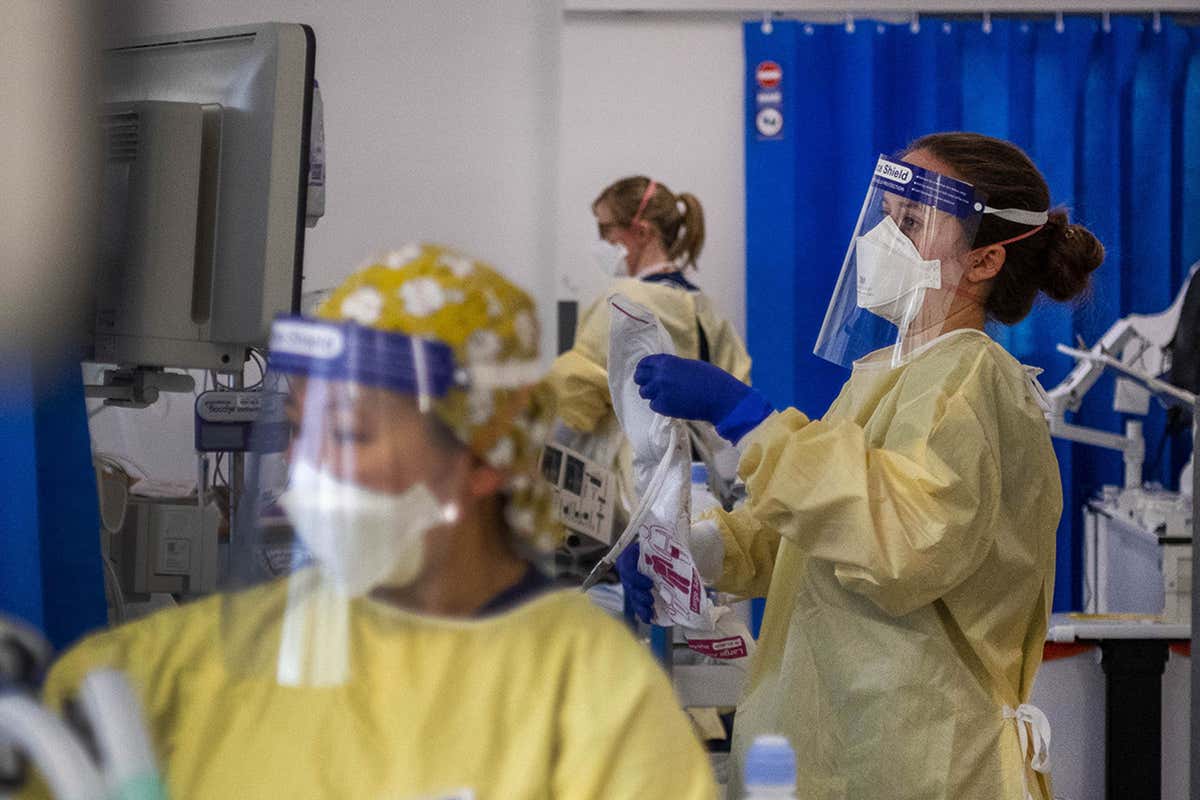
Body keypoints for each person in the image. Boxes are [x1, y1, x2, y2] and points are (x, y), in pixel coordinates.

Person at [23, 244, 717, 799]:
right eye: (297, 431)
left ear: (479, 457)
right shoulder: (187, 667)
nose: (307, 470)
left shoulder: (590, 699)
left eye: (349, 435)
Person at [621, 133, 1105, 799]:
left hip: (924, 763)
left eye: (911, 221)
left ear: (985, 258)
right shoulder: (883, 375)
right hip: (845, 751)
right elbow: (809, 535)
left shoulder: (973, 379)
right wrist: (686, 550)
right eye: (885, 214)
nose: (883, 236)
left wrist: (750, 421)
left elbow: (902, 543)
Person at [546, 177, 751, 559]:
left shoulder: (622, 303)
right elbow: (735, 404)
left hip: (629, 499)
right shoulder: (705, 308)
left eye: (605, 229)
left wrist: (536, 471)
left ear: (640, 231)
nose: (600, 242)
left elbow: (575, 398)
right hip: (698, 491)